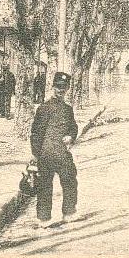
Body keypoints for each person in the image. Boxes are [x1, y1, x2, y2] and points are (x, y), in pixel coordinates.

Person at [30, 72, 80, 228]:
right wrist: (36, 155)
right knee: (45, 185)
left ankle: (69, 213)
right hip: (46, 153)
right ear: (53, 87)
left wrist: (71, 137)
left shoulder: (68, 109)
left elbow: (74, 127)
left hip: (62, 153)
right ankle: (44, 219)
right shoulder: (44, 108)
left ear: (67, 89)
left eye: (63, 87)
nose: (60, 90)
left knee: (70, 180)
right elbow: (36, 133)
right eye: (58, 87)